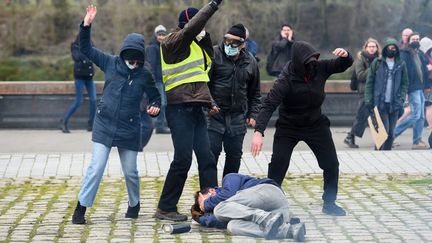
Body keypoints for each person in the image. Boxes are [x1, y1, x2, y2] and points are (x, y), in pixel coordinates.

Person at [72, 5, 161, 224]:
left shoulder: (145, 74)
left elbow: (155, 97)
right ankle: (81, 207)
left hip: (130, 128)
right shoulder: (110, 62)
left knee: (130, 172)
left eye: (136, 58)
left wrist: (155, 107)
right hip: (104, 124)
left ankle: (134, 203)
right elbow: (85, 48)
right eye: (130, 57)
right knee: (96, 168)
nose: (133, 61)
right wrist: (86, 25)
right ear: (123, 53)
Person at [251, 41, 353, 216]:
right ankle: (269, 203)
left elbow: (343, 65)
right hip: (289, 126)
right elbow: (268, 104)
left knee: (331, 164)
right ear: (299, 62)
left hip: (315, 124)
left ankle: (329, 203)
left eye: (314, 59)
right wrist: (259, 132)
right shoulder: (286, 79)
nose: (312, 64)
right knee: (278, 164)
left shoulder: (319, 67)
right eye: (308, 61)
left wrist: (346, 55)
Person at [153, 0, 223, 222]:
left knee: (207, 157)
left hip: (196, 109)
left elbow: (201, 75)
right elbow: (193, 27)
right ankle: (165, 207)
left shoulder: (196, 46)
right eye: (196, 27)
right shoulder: (172, 42)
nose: (200, 30)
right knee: (183, 159)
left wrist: (209, 102)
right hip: (178, 109)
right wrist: (213, 5)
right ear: (188, 25)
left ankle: (209, 204)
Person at [207, 24, 261, 177]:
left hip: (237, 117)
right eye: (227, 40)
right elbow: (203, 85)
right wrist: (211, 104)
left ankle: (228, 192)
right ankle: (209, 194)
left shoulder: (250, 62)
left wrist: (253, 114)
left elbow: (255, 93)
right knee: (211, 156)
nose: (229, 45)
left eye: (234, 42)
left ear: (243, 44)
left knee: (234, 157)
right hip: (214, 116)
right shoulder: (214, 54)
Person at [191, 173, 306, 241]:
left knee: (219, 209)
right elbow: (220, 221)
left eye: (202, 201)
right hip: (278, 213)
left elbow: (227, 195)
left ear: (211, 191)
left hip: (269, 193)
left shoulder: (229, 178)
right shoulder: (230, 210)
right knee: (232, 226)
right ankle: (288, 230)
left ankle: (265, 218)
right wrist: (200, 218)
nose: (205, 207)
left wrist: (206, 204)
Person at [364, 38, 409, 150]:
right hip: (380, 102)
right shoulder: (377, 62)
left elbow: (405, 83)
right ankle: (379, 153)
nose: (391, 50)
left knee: (392, 134)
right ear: (384, 49)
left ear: (397, 50)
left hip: (395, 103)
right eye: (389, 48)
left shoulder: (401, 64)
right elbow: (370, 82)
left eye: (393, 48)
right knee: (385, 131)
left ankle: (386, 155)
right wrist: (368, 99)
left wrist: (402, 97)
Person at [394, 32, 431, 149]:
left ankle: (417, 141)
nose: (415, 41)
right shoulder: (405, 54)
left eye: (417, 39)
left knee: (420, 116)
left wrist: (426, 84)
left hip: (420, 87)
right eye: (413, 39)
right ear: (409, 41)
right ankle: (392, 135)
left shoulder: (419, 53)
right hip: (412, 88)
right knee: (415, 115)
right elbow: (404, 72)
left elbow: (424, 69)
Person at [344, 38, 381, 148]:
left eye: (374, 46)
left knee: (375, 116)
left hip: (376, 92)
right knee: (362, 116)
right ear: (366, 48)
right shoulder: (361, 59)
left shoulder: (379, 59)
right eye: (370, 46)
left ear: (377, 48)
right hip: (364, 92)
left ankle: (379, 139)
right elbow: (360, 75)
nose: (372, 48)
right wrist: (373, 68)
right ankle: (350, 137)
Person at [60, 33, 97, 133]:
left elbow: (94, 55)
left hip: (89, 77)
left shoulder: (91, 44)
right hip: (79, 77)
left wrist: (88, 57)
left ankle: (91, 124)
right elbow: (77, 57)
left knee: (94, 100)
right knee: (79, 101)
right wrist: (87, 56)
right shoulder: (75, 45)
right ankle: (64, 121)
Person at [146, 24, 170, 134]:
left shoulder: (164, 47)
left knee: (165, 102)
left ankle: (161, 124)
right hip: (157, 79)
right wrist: (153, 80)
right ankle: (159, 125)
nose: (161, 37)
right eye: (159, 35)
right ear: (156, 35)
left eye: (163, 35)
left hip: (164, 79)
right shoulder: (152, 48)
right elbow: (151, 65)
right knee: (162, 102)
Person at [419, 37, 432, 148]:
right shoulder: (424, 55)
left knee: (428, 106)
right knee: (428, 106)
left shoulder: (426, 54)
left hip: (428, 85)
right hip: (427, 85)